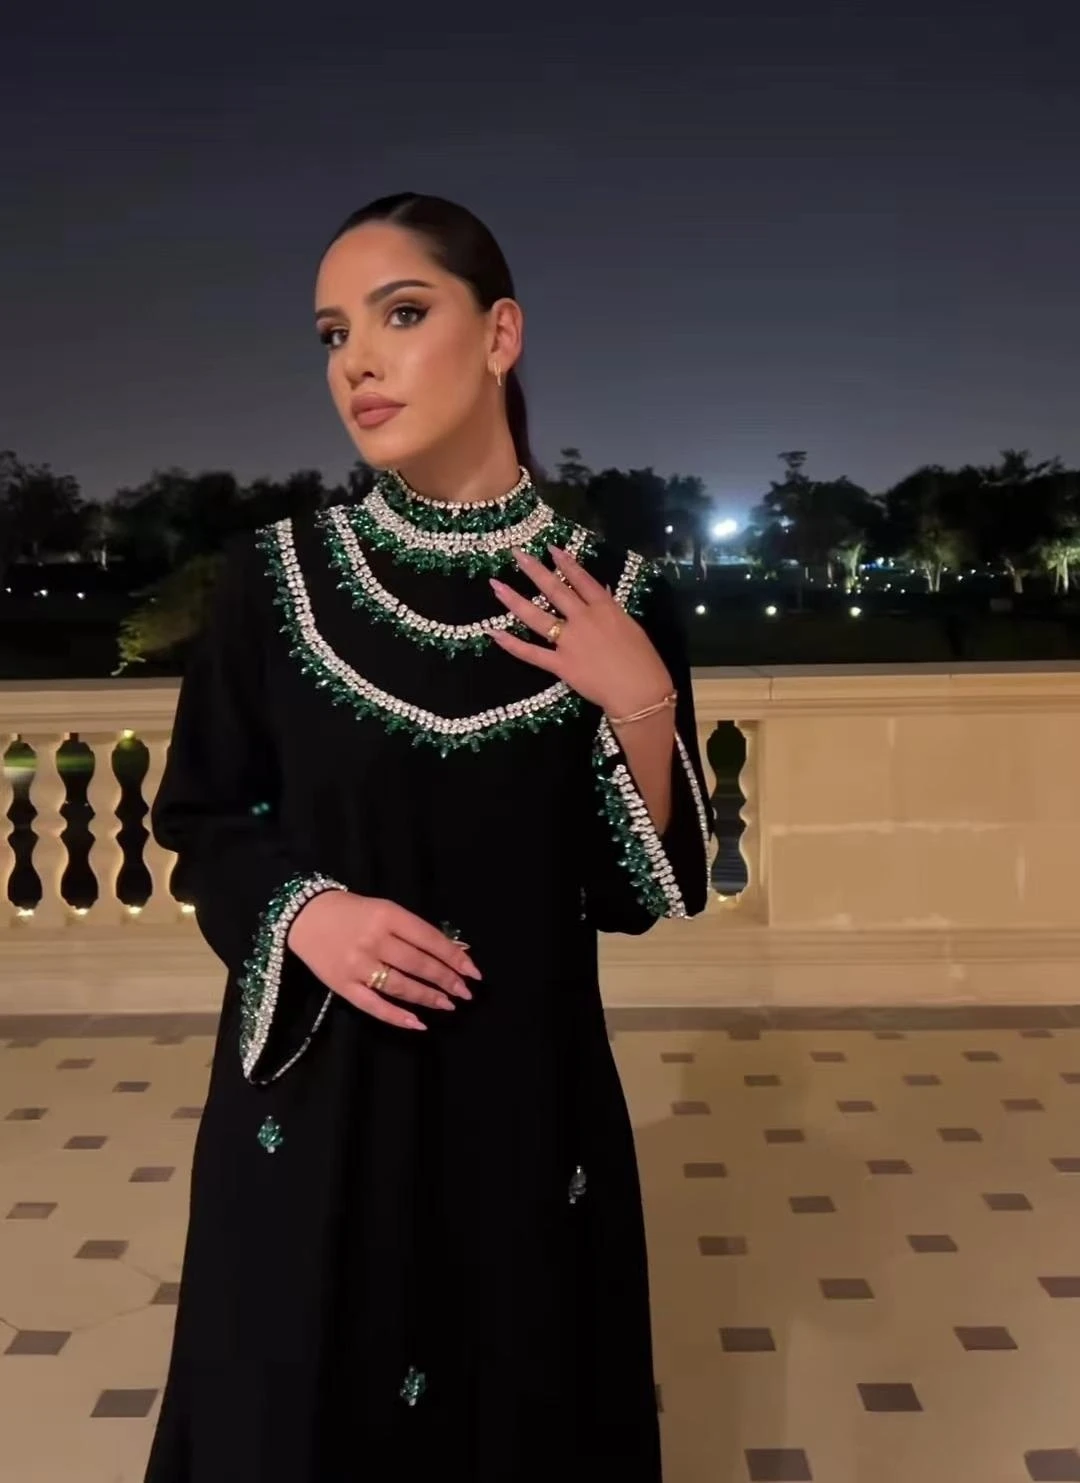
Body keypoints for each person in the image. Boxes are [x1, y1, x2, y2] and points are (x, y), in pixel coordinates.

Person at [144, 192, 714, 1483]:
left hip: (524, 1106)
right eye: (334, 331)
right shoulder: (274, 577)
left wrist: (638, 698)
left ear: (500, 334)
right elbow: (199, 821)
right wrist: (310, 915)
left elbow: (641, 892)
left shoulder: (612, 590)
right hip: (316, 1106)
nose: (359, 360)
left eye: (403, 314)